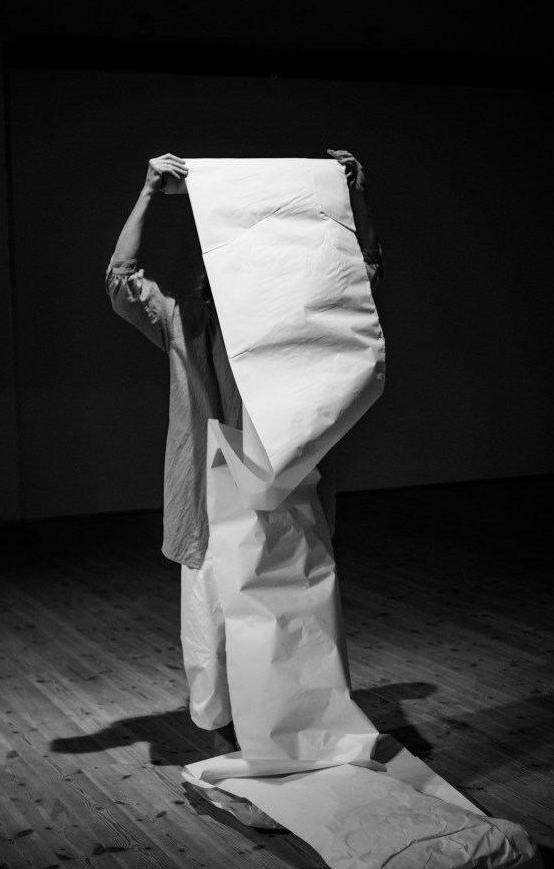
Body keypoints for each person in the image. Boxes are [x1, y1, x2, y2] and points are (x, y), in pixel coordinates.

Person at [106, 150, 383, 756]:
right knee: (216, 625)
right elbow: (122, 281)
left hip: (284, 496)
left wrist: (354, 197)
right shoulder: (187, 323)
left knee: (294, 618)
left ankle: (299, 730)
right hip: (211, 503)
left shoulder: (297, 325)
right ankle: (228, 740)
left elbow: (359, 280)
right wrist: (149, 192)